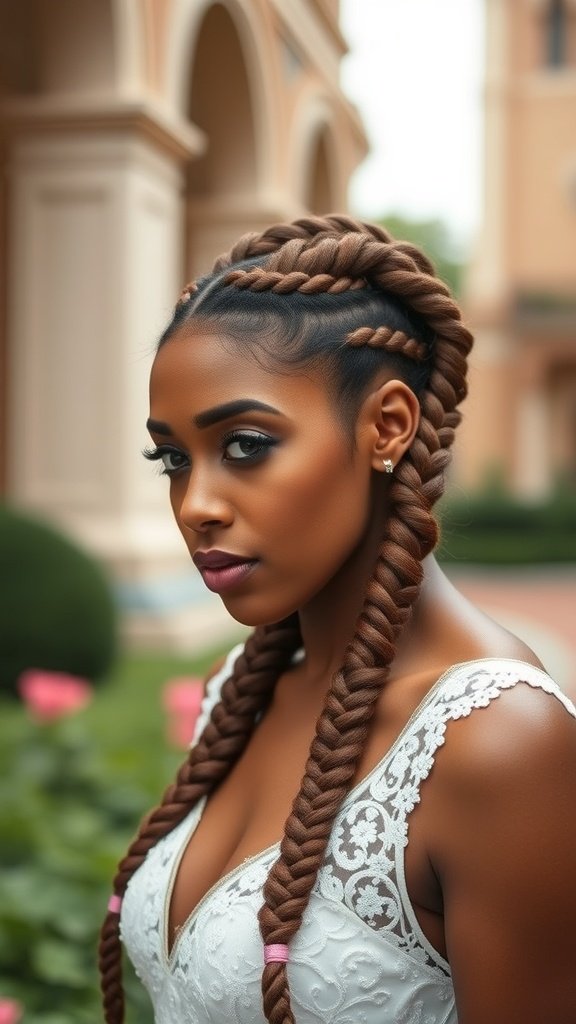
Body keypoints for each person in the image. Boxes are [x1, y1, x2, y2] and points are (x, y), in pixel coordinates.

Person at [99, 215, 576, 1024]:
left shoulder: (501, 745)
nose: (196, 505)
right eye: (174, 458)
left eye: (245, 445)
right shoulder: (238, 694)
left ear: (387, 426)